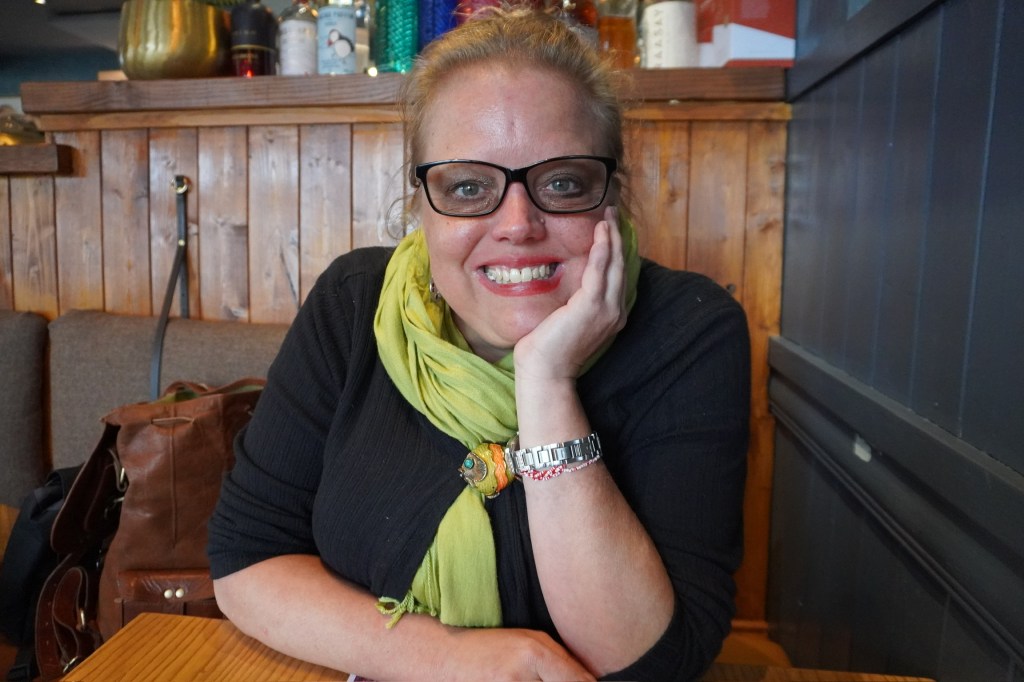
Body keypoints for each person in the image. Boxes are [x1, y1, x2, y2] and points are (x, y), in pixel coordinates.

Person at [208, 7, 750, 681]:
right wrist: (446, 659)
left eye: (562, 183)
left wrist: (546, 382)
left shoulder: (690, 330)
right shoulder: (353, 305)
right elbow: (246, 559)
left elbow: (651, 664)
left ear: (611, 195)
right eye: (468, 186)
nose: (517, 224)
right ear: (421, 206)